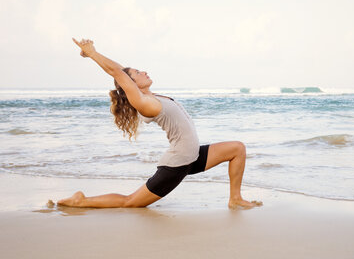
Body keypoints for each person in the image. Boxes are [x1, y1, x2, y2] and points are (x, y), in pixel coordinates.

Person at [57, 38, 262, 209]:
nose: (144, 72)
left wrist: (96, 54)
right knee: (131, 203)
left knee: (237, 149)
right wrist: (92, 53)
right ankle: (81, 201)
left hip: (194, 156)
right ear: (132, 85)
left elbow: (121, 71)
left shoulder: (152, 96)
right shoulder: (145, 103)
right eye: (138, 73)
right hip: (178, 164)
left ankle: (235, 199)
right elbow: (119, 74)